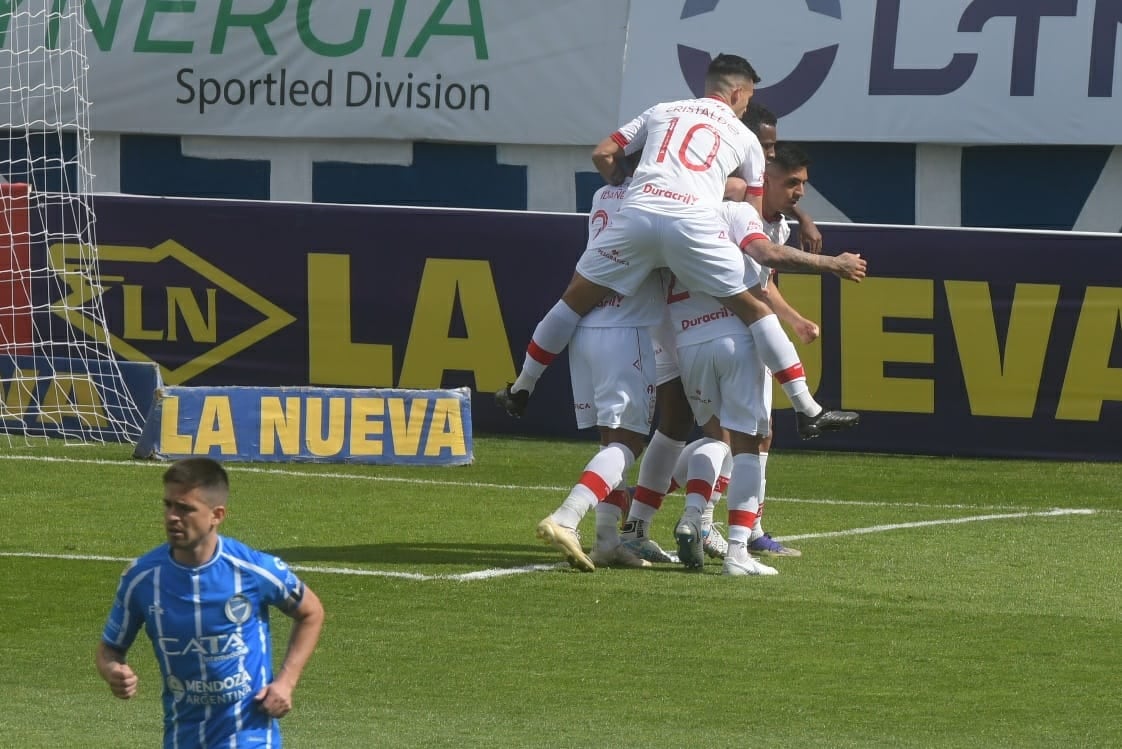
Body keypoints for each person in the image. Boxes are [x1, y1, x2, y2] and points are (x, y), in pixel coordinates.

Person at [498, 54, 858, 442]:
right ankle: (808, 409)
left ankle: (521, 389)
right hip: (692, 224)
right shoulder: (746, 139)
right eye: (748, 99)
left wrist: (626, 183)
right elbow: (752, 210)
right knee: (755, 308)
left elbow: (603, 153)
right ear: (737, 92)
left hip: (638, 214)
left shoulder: (662, 110)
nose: (746, 107)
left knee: (571, 301)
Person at [668, 141, 848, 574]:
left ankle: (690, 515)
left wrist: (796, 319)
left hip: (687, 340)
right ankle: (738, 550)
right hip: (735, 338)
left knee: (715, 439)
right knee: (751, 443)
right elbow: (763, 258)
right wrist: (830, 263)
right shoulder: (740, 213)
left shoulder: (673, 220)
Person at [96, 457, 324, 748]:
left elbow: (311, 612)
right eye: (168, 505)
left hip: (249, 734)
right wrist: (113, 672)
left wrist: (286, 682)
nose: (172, 517)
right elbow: (109, 649)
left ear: (217, 515)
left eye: (185, 508)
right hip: (182, 736)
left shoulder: (253, 570)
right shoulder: (142, 579)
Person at [535, 160, 659, 572]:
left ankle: (607, 541)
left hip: (587, 325)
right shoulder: (653, 202)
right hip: (627, 326)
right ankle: (567, 517)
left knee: (612, 440)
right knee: (629, 442)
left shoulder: (603, 195)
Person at [743, 101, 822, 253]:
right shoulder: (731, 209)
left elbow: (768, 276)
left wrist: (804, 218)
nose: (801, 192)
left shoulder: (781, 229)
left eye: (803, 183)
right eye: (792, 183)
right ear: (763, 179)